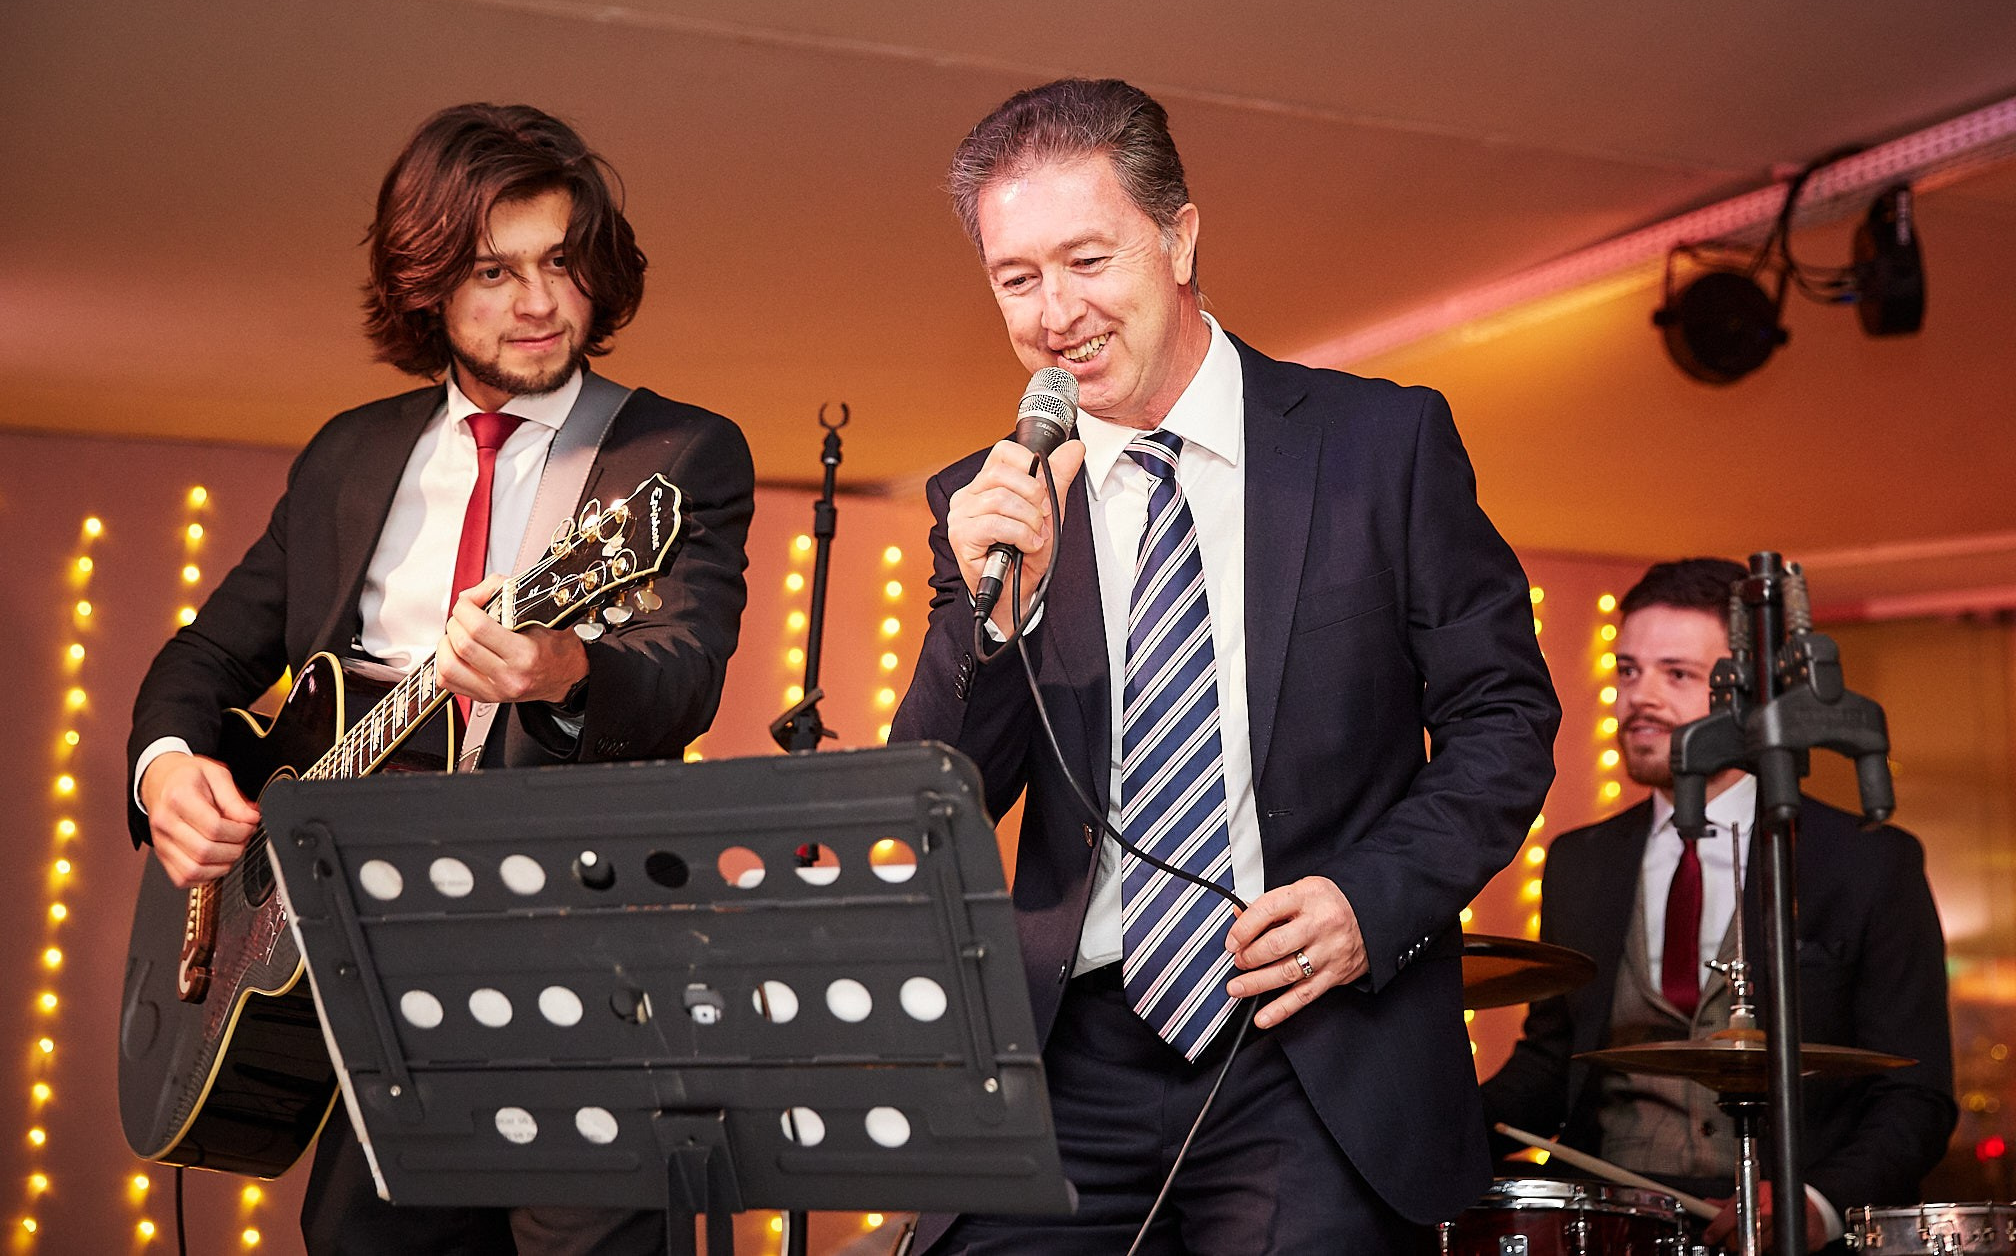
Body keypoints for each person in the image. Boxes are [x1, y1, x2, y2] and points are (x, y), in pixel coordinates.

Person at [889, 77, 1561, 1252]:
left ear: (1179, 237)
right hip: (1067, 1052)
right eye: (1016, 278)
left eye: (1086, 259)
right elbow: (931, 795)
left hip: (1310, 1046)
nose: (1054, 312)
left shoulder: (1377, 446)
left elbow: (1504, 716)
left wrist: (1373, 900)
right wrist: (999, 614)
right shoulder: (987, 498)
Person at [125, 102, 754, 1254]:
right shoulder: (349, 457)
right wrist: (169, 772)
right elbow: (199, 662)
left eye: (563, 262)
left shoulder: (673, 455)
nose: (538, 302)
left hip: (586, 995)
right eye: (492, 271)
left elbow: (683, 673)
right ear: (422, 284)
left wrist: (564, 668)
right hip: (369, 999)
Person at [1481, 558, 1957, 1249]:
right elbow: (1553, 1063)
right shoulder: (1579, 860)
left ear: (1749, 694)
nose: (1639, 697)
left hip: (1784, 1223)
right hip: (1606, 1220)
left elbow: (1917, 1097)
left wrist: (1814, 1202)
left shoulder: (1867, 861)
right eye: (1627, 669)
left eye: (1677, 674)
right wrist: (1440, 1127)